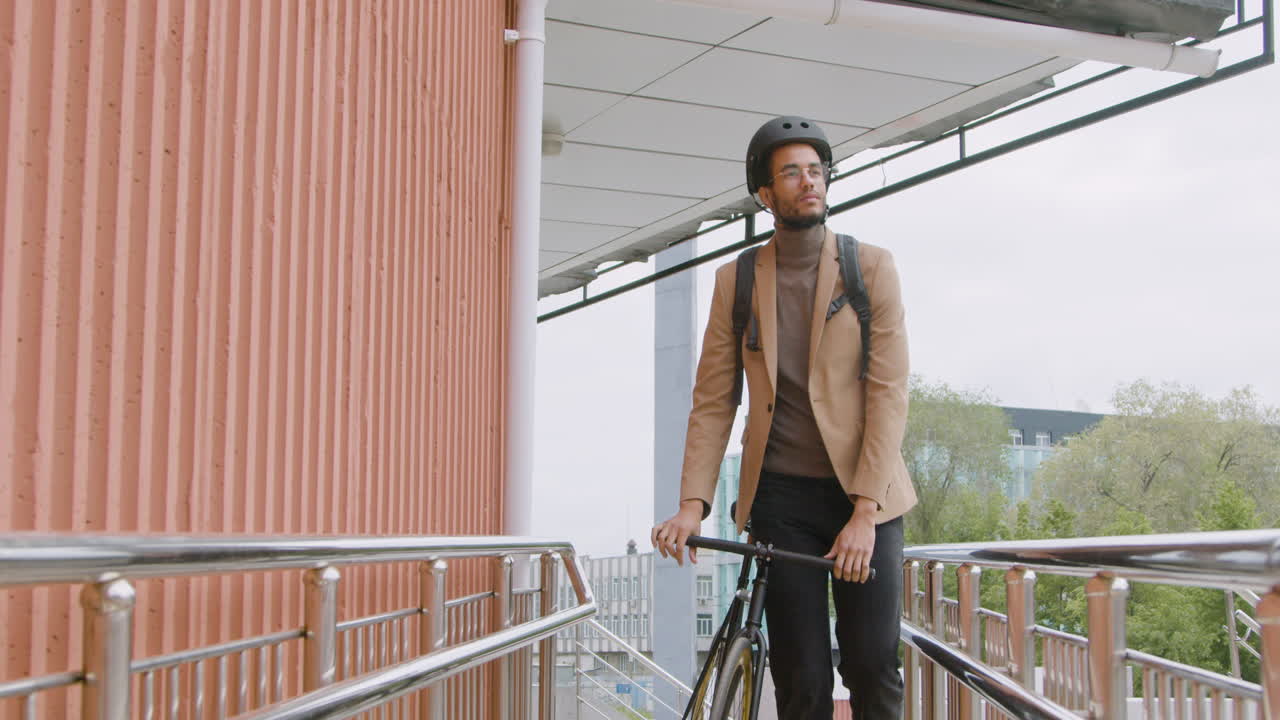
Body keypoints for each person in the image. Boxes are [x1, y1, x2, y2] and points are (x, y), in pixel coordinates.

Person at [651, 116, 917, 719]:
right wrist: (692, 505)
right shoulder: (737, 279)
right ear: (766, 195)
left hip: (864, 495)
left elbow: (888, 391)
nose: (808, 182)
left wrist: (865, 513)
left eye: (816, 171)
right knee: (801, 675)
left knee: (872, 662)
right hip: (781, 499)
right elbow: (715, 399)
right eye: (792, 173)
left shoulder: (869, 267)